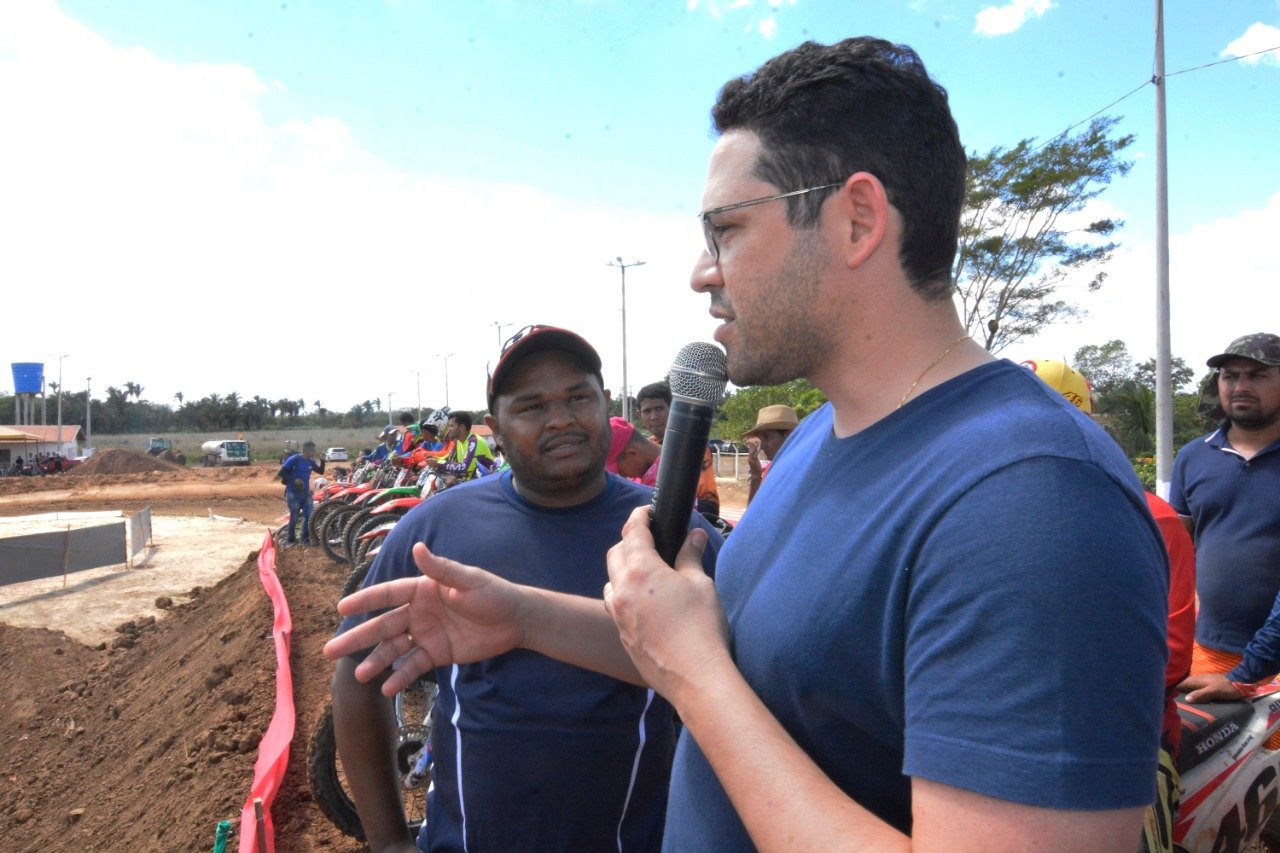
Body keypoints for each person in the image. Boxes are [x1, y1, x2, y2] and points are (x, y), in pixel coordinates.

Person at [327, 38, 1167, 850]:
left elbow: (699, 667)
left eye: (725, 229)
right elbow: (713, 648)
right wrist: (521, 617)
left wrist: (695, 674)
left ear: (857, 220)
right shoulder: (817, 442)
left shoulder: (1031, 500)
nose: (701, 270)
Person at [328, 325, 720, 851]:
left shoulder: (674, 534)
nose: (560, 419)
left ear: (606, 405)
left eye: (578, 397)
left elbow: (737, 691)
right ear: (496, 426)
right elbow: (358, 677)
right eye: (531, 407)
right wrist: (388, 841)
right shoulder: (435, 531)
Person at [1026, 357, 1194, 852]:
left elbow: (1173, 652)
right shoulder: (1000, 514)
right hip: (1018, 736)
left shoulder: (1153, 518)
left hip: (1122, 743)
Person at [1171, 333, 1280, 702]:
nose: (1241, 386)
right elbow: (1175, 555)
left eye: (1258, 375)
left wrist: (1248, 674)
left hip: (1268, 664)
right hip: (1209, 651)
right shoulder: (1192, 457)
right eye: (1230, 376)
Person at [636, 382, 720, 518]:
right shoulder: (648, 446)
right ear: (639, 415)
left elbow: (701, 495)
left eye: (659, 409)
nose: (654, 416)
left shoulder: (692, 443)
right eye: (647, 411)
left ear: (673, 409)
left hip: (701, 510)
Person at [741, 404, 799, 504]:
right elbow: (754, 514)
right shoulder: (774, 468)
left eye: (767, 437)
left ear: (788, 436)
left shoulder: (799, 470)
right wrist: (756, 475)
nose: (762, 446)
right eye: (761, 439)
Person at [425, 411, 495, 485]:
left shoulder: (474, 441)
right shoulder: (458, 442)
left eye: (451, 426)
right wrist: (435, 459)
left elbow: (465, 468)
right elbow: (449, 458)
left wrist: (438, 464)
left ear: (462, 427)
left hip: (486, 485)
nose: (449, 429)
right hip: (471, 484)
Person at [279, 440, 324, 545]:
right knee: (294, 517)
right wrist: (294, 480)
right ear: (307, 451)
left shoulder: (310, 461)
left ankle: (305, 539)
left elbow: (320, 471)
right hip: (293, 493)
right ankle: (290, 540)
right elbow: (281, 472)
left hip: (306, 493)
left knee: (309, 516)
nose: (314, 453)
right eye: (313, 451)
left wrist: (322, 461)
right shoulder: (294, 459)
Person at [606, 416, 661, 486]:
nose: (620, 475)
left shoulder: (662, 480)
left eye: (620, 471)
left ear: (633, 453)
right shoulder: (646, 470)